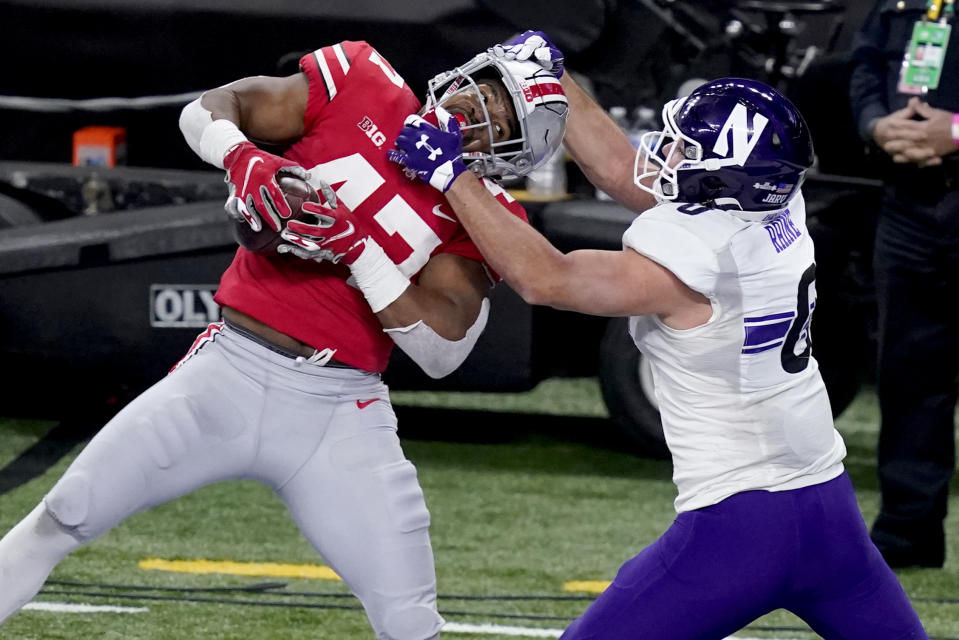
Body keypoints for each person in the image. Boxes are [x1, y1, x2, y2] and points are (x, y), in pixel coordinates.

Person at [0, 39, 567, 639]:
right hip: (227, 372)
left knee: (409, 619)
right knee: (62, 517)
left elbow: (441, 350)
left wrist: (357, 251)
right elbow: (209, 108)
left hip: (340, 410)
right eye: (488, 95)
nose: (479, 119)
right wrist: (243, 159)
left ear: (504, 156)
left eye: (500, 126)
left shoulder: (484, 212)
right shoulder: (363, 79)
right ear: (466, 74)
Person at [384, 33, 930, 638]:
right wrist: (551, 81)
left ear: (721, 176)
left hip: (740, 526)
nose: (666, 154)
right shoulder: (778, 205)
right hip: (828, 511)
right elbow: (624, 170)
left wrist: (451, 176)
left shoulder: (695, 256)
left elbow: (546, 279)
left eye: (686, 149)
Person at [849, 0, 959, 569]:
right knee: (910, 373)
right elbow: (865, 63)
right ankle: (907, 533)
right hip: (909, 203)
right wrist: (875, 122)